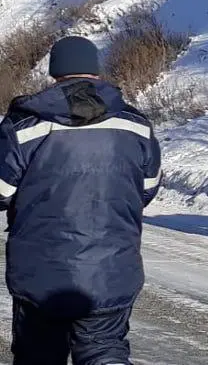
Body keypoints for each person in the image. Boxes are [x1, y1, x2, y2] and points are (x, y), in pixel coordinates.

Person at [0, 36, 162, 365]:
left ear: (54, 71)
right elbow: (147, 187)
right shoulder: (136, 126)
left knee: (39, 355)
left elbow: (1, 192)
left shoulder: (24, 125)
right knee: (105, 351)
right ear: (95, 69)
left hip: (40, 274)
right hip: (112, 270)